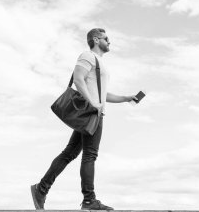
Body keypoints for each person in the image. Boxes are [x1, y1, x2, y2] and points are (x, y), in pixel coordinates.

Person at [31, 28, 137, 210]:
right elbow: (78, 80)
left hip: (93, 112)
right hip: (91, 114)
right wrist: (93, 104)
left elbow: (102, 94)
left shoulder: (99, 63)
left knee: (70, 153)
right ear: (96, 39)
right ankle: (89, 200)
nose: (109, 42)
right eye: (106, 38)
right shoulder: (87, 56)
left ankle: (41, 189)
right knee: (89, 155)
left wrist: (126, 98)